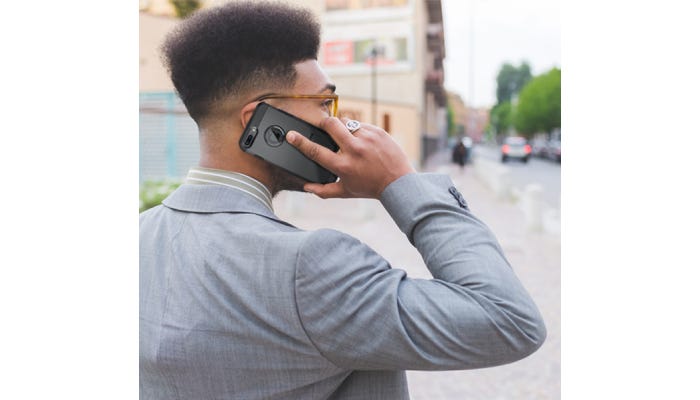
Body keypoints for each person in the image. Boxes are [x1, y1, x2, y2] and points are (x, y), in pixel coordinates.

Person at [139, 2, 546, 399]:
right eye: (323, 103)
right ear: (263, 125)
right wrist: (399, 182)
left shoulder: (138, 234)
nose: (338, 122)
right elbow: (509, 320)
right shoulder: (309, 266)